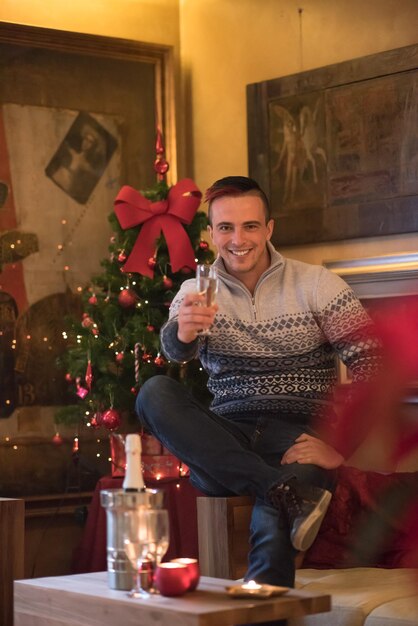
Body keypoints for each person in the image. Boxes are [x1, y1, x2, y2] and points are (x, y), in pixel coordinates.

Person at [136, 176, 380, 592]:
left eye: (250, 226)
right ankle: (280, 489)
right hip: (226, 439)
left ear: (269, 229)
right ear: (211, 234)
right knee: (153, 392)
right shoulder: (196, 290)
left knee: (276, 511)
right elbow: (174, 352)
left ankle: (262, 605)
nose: (238, 239)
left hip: (298, 436)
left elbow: (375, 366)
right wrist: (184, 333)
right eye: (226, 228)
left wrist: (340, 446)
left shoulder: (317, 284)